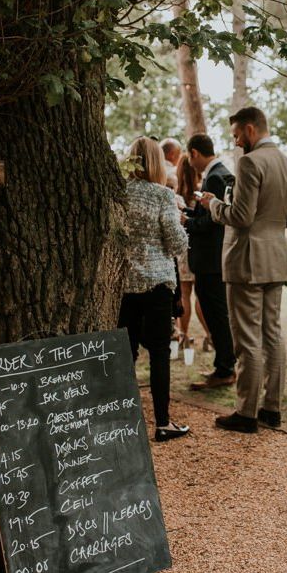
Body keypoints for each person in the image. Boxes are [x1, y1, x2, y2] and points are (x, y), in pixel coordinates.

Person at [199, 107, 287, 433]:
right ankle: (272, 408)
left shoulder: (250, 162)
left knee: (247, 339)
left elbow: (241, 217)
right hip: (276, 258)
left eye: (237, 135)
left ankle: (246, 413)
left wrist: (213, 205)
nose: (236, 141)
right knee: (273, 335)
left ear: (250, 129)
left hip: (247, 261)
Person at [118, 136, 190, 442]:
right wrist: (180, 220)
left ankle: (120, 422)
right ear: (157, 162)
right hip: (157, 285)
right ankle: (162, 423)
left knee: (126, 353)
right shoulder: (162, 195)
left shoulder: (117, 193)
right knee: (159, 353)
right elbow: (176, 243)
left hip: (124, 285)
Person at [184, 134, 237, 389]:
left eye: (189, 157)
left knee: (216, 315)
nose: (190, 163)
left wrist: (187, 223)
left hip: (210, 259)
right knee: (216, 314)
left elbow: (214, 220)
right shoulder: (218, 172)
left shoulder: (216, 176)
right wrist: (188, 213)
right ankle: (223, 365)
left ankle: (225, 368)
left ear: (194, 153)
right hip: (212, 259)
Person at [175, 152, 212, 349]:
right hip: (197, 249)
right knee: (200, 294)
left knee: (184, 294)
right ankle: (209, 336)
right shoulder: (198, 194)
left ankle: (183, 335)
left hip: (182, 250)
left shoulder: (176, 195)